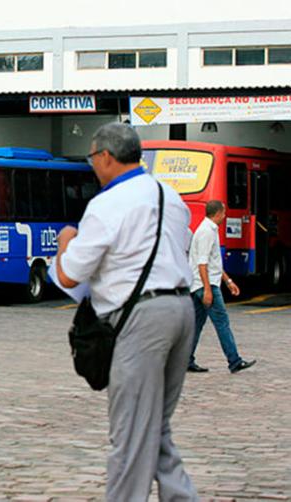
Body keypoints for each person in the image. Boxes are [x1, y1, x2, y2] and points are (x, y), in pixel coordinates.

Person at [54, 123, 198, 500]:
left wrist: (66, 241)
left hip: (142, 318)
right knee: (156, 424)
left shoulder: (108, 203)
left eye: (92, 157)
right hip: (182, 308)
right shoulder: (170, 196)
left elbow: (69, 275)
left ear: (105, 156)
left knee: (131, 430)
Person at [187, 200, 256, 374]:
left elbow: (213, 263)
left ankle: (186, 360)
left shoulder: (209, 230)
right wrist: (208, 290)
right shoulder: (206, 232)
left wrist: (228, 281)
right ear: (217, 213)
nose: (225, 216)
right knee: (222, 323)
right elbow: (202, 264)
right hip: (206, 285)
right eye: (224, 213)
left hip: (201, 284)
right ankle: (234, 361)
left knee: (196, 324)